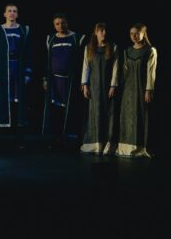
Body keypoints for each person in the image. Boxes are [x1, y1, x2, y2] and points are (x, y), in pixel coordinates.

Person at [0, 4, 32, 148]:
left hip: (18, 69)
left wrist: (28, 71)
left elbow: (28, 52)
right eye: (9, 11)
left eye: (14, 11)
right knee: (0, 102)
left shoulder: (23, 29)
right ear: (4, 14)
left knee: (18, 104)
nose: (12, 13)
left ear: (17, 14)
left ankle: (20, 138)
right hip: (2, 70)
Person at [41, 14, 86, 149]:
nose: (60, 26)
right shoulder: (51, 38)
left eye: (63, 23)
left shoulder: (77, 37)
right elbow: (47, 60)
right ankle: (57, 139)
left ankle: (74, 140)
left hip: (71, 82)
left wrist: (83, 81)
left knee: (72, 109)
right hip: (55, 81)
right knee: (56, 111)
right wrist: (45, 79)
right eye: (57, 24)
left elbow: (83, 61)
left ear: (67, 22)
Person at [113, 23, 157, 158]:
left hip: (141, 87)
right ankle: (125, 147)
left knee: (140, 115)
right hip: (128, 89)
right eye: (131, 34)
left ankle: (140, 147)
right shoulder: (127, 51)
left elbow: (151, 72)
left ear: (143, 34)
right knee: (127, 116)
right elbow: (125, 71)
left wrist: (148, 89)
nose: (134, 36)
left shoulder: (150, 50)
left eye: (137, 33)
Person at [80, 23, 119, 154]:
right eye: (101, 30)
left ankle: (108, 144)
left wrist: (113, 85)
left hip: (107, 86)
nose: (104, 33)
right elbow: (86, 67)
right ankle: (96, 144)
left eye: (105, 30)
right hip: (94, 85)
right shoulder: (89, 48)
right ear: (96, 32)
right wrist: (85, 85)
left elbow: (116, 68)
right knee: (95, 112)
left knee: (108, 113)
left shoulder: (113, 47)